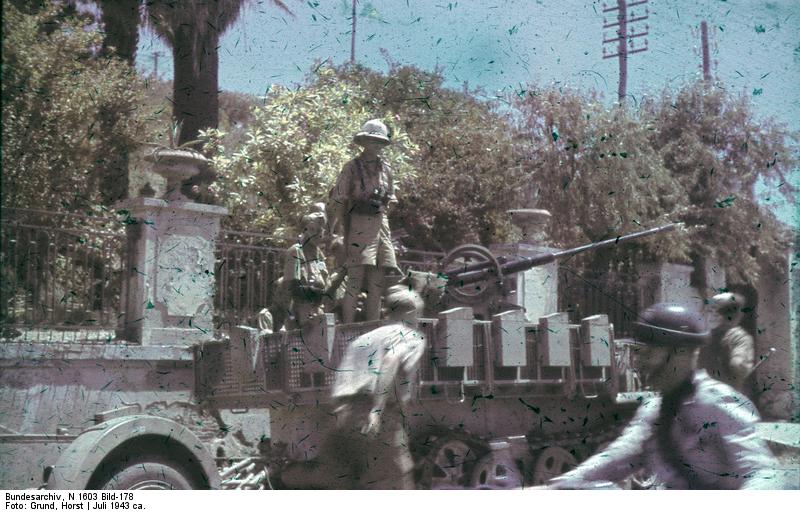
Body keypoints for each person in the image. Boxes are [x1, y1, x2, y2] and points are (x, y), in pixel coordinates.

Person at [548, 302, 782, 490]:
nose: (640, 362)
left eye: (649, 354)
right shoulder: (654, 409)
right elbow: (619, 456)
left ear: (680, 354)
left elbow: (762, 475)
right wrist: (562, 485)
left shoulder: (717, 402)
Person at [314, 285, 427, 489]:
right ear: (411, 312)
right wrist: (376, 410)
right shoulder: (411, 336)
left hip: (343, 415)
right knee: (396, 480)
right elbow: (391, 361)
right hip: (376, 417)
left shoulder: (362, 339)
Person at [329, 119, 398, 323]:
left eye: (379, 142)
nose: (376, 145)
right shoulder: (351, 167)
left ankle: (372, 327)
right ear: (364, 142)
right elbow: (339, 199)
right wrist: (338, 229)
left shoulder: (386, 169)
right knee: (355, 280)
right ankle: (348, 328)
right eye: (372, 140)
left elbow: (392, 199)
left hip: (381, 226)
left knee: (377, 283)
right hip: (358, 224)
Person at [699, 292, 755, 394]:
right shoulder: (740, 337)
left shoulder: (707, 336)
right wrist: (746, 369)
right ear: (739, 313)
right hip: (729, 397)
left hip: (706, 394)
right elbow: (737, 364)